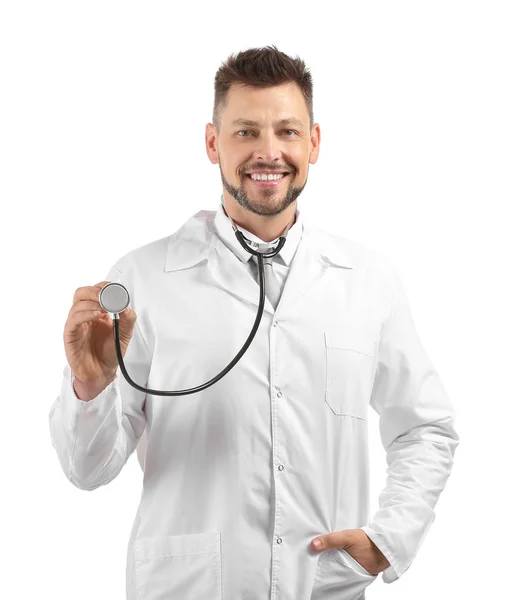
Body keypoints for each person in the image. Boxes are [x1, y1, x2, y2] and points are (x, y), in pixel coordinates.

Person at [48, 45, 460, 600]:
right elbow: (87, 471)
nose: (269, 151)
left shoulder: (367, 280)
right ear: (213, 143)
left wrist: (390, 541)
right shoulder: (143, 279)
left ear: (313, 144)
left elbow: (425, 428)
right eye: (246, 132)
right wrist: (90, 387)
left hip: (323, 585)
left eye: (287, 131)